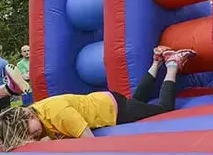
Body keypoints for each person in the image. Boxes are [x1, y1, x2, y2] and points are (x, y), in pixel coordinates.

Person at [0, 46, 195, 152]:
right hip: (106, 100)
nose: (30, 138)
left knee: (164, 108)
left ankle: (172, 64)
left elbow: (90, 144)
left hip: (113, 110)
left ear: (27, 116)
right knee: (138, 100)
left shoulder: (58, 114)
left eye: (27, 133)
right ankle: (156, 61)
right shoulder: (37, 113)